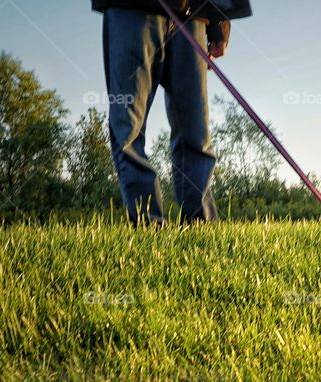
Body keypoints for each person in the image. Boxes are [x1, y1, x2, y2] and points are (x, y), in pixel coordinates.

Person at [91, 0, 252, 224]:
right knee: (128, 127)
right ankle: (149, 224)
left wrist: (219, 24)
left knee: (195, 131)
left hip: (194, 12)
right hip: (131, 9)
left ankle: (200, 223)